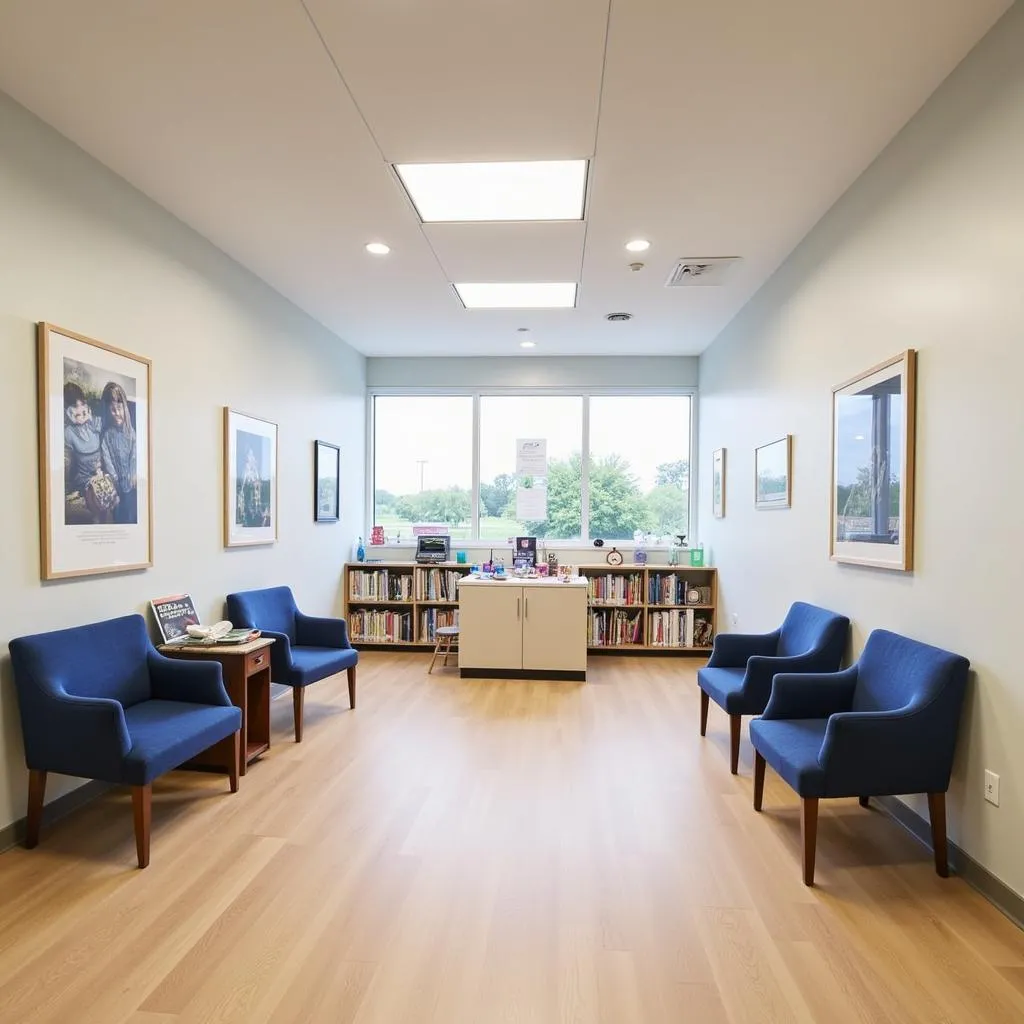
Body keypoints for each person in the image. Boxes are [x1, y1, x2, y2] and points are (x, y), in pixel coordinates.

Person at [63, 381, 115, 524]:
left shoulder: (94, 423)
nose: (79, 410)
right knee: (96, 498)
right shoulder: (68, 433)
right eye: (74, 406)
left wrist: (90, 418)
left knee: (107, 498)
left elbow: (108, 424)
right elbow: (67, 462)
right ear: (68, 410)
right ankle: (97, 524)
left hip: (100, 473)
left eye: (81, 404)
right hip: (84, 478)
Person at [100, 381, 137, 524]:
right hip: (115, 485)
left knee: (130, 515)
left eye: (120, 408)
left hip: (130, 484)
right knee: (118, 515)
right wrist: (114, 478)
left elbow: (134, 456)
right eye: (113, 410)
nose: (117, 414)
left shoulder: (131, 432)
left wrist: (132, 474)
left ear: (125, 408)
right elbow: (107, 458)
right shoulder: (107, 435)